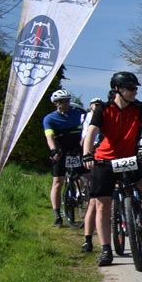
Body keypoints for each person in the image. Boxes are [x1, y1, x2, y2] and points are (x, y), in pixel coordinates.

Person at [82, 71, 142, 267]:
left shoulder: (140, 108)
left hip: (129, 159)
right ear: (117, 89)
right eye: (131, 88)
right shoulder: (103, 109)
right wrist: (87, 153)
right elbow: (92, 131)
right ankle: (106, 249)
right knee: (103, 205)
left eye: (136, 88)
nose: (135, 92)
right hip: (104, 160)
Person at [43, 89, 86, 227]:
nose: (67, 103)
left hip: (76, 149)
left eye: (68, 100)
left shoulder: (77, 113)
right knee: (57, 182)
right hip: (61, 151)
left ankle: (81, 198)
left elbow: (87, 130)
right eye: (63, 101)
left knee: (87, 177)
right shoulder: (49, 119)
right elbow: (49, 136)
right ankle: (57, 216)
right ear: (56, 103)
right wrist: (53, 150)